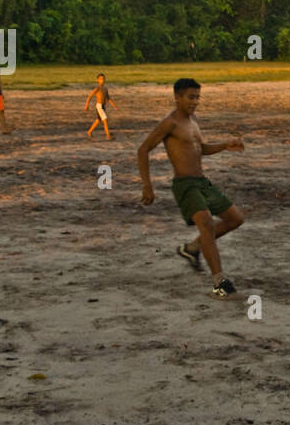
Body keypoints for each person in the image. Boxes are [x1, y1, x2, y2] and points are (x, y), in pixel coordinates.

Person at [137, 78, 246, 299]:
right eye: (190, 97)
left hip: (202, 182)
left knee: (235, 219)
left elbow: (200, 149)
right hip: (185, 185)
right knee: (206, 222)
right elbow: (143, 150)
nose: (195, 102)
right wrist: (147, 185)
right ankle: (219, 283)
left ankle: (193, 248)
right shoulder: (170, 123)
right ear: (177, 97)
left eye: (197, 97)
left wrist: (225, 145)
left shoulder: (193, 120)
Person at [85, 73, 114, 139]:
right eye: (101, 79)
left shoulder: (105, 89)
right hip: (99, 106)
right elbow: (90, 96)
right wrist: (87, 105)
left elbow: (108, 98)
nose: (102, 80)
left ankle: (89, 131)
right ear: (98, 80)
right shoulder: (97, 88)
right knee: (105, 120)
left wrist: (114, 105)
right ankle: (108, 135)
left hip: (103, 106)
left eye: (103, 79)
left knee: (98, 120)